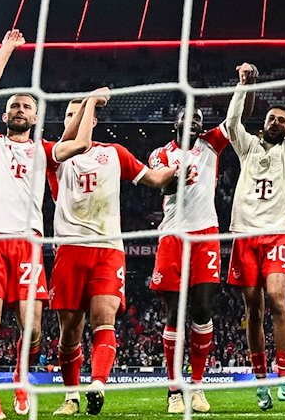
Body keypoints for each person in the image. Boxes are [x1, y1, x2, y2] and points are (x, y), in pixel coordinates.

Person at [47, 93, 179, 416]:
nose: (73, 119)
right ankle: (70, 397)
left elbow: (154, 179)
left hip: (107, 250)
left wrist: (179, 167)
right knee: (70, 332)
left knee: (104, 318)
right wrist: (90, 100)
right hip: (69, 248)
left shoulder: (114, 153)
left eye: (79, 114)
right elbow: (74, 142)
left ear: (92, 121)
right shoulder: (55, 154)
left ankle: (97, 384)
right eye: (68, 115)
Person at [148, 88, 252, 414]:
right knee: (174, 314)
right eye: (187, 118)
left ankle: (196, 384)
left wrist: (245, 85)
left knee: (203, 311)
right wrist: (174, 179)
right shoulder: (160, 154)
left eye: (198, 120)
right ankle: (173, 388)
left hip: (205, 235)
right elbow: (160, 185)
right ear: (175, 123)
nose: (193, 122)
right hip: (173, 237)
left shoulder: (211, 145)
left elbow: (239, 117)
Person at [0, 29, 49, 419]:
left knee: (32, 327)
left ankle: (20, 379)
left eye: (26, 107)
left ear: (35, 117)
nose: (19, 110)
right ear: (5, 114)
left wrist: (89, 105)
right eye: (14, 106)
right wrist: (5, 50)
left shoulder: (46, 151)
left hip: (29, 240)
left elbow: (80, 143)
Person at [225, 48, 285, 411]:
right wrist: (242, 87)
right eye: (273, 118)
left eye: (283, 119)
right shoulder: (247, 148)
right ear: (264, 123)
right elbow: (231, 124)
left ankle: (284, 372)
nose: (278, 122)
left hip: (277, 233)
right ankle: (261, 381)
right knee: (254, 309)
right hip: (244, 234)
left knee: (277, 299)